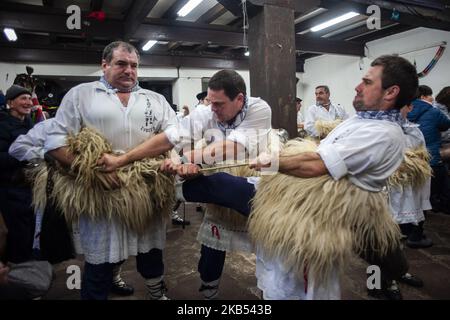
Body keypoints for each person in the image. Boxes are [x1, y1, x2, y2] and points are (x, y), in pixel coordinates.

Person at [170, 54, 418, 300]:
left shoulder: (383, 133)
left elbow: (316, 164)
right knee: (221, 188)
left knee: (295, 286)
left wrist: (273, 161)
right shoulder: (364, 121)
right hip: (294, 194)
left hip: (311, 211)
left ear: (390, 92)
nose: (357, 86)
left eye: (367, 81)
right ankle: (176, 187)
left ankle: (391, 272)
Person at [101, 69, 272, 299]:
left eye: (219, 104)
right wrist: (123, 159)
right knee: (214, 239)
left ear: (239, 99)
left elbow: (233, 148)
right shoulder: (207, 111)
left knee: (270, 246)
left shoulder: (259, 108)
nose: (212, 109)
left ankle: (270, 292)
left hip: (256, 183)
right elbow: (170, 137)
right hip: (218, 184)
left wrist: (184, 160)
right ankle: (209, 292)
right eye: (210, 102)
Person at [44, 41, 179, 300]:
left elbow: (174, 135)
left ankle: (156, 293)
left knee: (150, 252)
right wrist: (92, 172)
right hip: (100, 192)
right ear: (104, 65)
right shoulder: (81, 95)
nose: (129, 70)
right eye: (121, 64)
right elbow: (54, 142)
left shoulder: (156, 100)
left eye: (134, 66)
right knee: (101, 260)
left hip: (146, 190)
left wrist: (172, 159)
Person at [8, 118, 135, 296]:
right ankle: (41, 284)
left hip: (103, 198)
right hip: (62, 198)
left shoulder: (107, 122)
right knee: (64, 246)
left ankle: (113, 277)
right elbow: (17, 148)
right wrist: (45, 154)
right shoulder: (51, 126)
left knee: (113, 244)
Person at [0, 85, 35, 264]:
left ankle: (26, 267)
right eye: (23, 98)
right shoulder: (3, 126)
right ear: (10, 103)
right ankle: (15, 271)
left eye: (29, 99)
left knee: (28, 228)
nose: (28, 102)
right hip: (10, 189)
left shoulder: (30, 124)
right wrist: (24, 155)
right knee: (16, 232)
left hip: (29, 187)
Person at [408, 85, 450, 214]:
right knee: (440, 180)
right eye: (429, 95)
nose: (432, 98)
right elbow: (446, 125)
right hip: (433, 157)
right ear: (423, 97)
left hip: (411, 158)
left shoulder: (404, 109)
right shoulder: (433, 111)